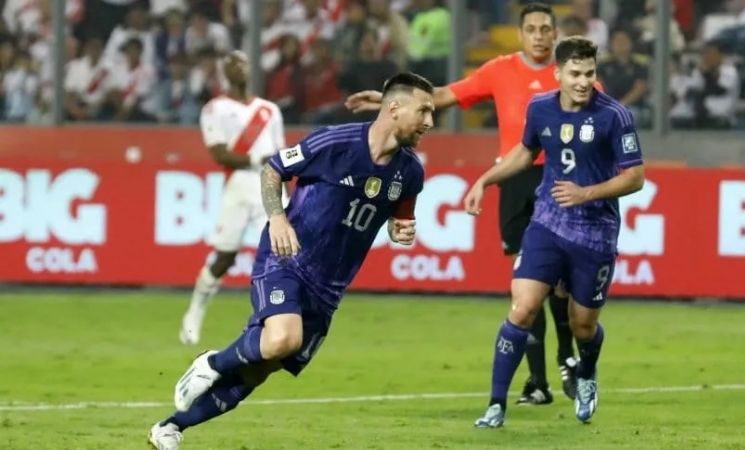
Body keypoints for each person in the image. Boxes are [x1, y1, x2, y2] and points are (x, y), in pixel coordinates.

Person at [148, 72, 435, 449]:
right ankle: (211, 363)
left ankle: (169, 428)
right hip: (287, 258)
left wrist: (401, 231)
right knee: (283, 339)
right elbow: (273, 169)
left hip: (329, 288)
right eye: (424, 111)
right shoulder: (335, 142)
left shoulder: (410, 172)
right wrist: (278, 218)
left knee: (259, 369)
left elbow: (402, 219)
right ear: (395, 108)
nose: (430, 122)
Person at [345, 2, 577, 405]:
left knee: (558, 283)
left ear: (555, 34)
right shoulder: (500, 69)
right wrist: (389, 101)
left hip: (558, 179)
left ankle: (566, 358)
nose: (539, 35)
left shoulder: (572, 76)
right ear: (521, 33)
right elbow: (444, 95)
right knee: (527, 282)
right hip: (514, 178)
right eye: (532, 29)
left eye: (545, 28)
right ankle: (538, 382)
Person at [465, 36, 645, 427]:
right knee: (524, 307)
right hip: (546, 222)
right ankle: (496, 405)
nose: (584, 81)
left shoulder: (615, 115)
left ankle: (587, 371)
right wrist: (486, 179)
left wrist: (587, 193)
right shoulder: (540, 107)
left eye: (590, 73)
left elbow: (635, 178)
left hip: (594, 233)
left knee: (583, 324)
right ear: (558, 73)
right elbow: (526, 152)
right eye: (576, 73)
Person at [179, 50, 286, 346]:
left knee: (284, 253)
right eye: (232, 64)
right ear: (225, 72)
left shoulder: (270, 110)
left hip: (270, 187)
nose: (239, 67)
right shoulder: (215, 108)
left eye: (243, 61)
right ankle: (195, 311)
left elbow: (279, 153)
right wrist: (259, 158)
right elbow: (219, 154)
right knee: (226, 256)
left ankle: (278, 318)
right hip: (239, 187)